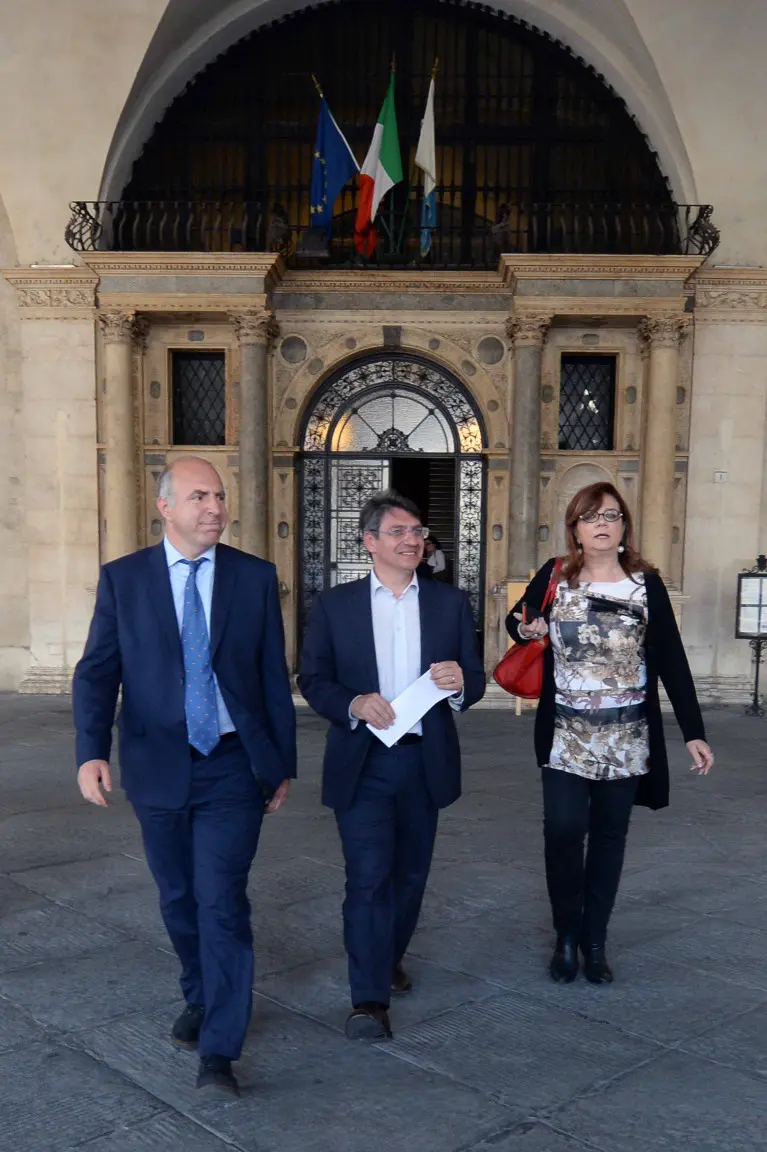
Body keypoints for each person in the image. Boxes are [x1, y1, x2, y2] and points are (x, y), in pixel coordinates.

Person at [72, 456, 296, 1099]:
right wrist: (91, 751)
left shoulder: (253, 578)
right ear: (165, 506)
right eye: (199, 496)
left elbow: (268, 678)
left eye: (221, 496)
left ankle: (220, 1050)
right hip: (157, 765)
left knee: (221, 900)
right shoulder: (125, 580)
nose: (215, 508)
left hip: (231, 763)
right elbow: (97, 672)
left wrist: (277, 763)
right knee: (178, 898)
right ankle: (201, 994)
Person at [506, 481, 713, 985]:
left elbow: (671, 661)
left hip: (625, 737)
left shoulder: (646, 585)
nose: (602, 524)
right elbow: (518, 622)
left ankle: (594, 940)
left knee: (608, 838)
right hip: (565, 735)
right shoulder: (556, 575)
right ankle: (566, 935)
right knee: (561, 832)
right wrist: (525, 628)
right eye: (591, 516)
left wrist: (693, 731)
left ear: (624, 527)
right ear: (575, 527)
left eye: (612, 516)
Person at [299, 491, 485, 1040]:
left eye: (419, 532)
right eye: (400, 532)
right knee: (368, 879)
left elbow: (473, 679)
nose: (413, 541)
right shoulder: (336, 605)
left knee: (409, 877)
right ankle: (368, 999)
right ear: (370, 541)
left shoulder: (450, 604)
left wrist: (460, 686)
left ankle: (389, 955)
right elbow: (314, 679)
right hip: (364, 763)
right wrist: (353, 704)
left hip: (423, 762)